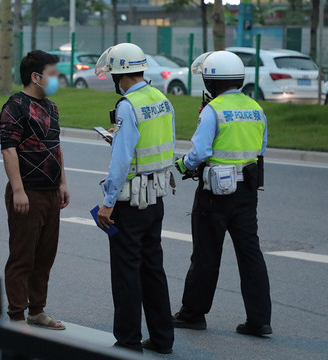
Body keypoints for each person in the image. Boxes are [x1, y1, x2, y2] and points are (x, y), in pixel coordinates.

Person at [172, 51, 272, 336]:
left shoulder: (213, 110)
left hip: (214, 193)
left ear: (210, 80)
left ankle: (192, 313)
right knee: (250, 254)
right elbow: (260, 148)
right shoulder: (256, 108)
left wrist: (183, 164)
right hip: (247, 192)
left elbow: (199, 153)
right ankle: (259, 320)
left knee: (206, 254)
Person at [95, 43, 175, 354]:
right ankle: (162, 338)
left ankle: (128, 341)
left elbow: (122, 161)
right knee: (153, 268)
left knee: (126, 272)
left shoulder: (128, 105)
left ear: (119, 74)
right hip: (156, 197)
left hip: (130, 201)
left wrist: (108, 202)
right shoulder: (161, 98)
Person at [0, 50, 70, 330]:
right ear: (35, 77)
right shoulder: (14, 106)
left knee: (44, 256)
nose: (56, 79)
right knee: (22, 256)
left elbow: (56, 147)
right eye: (52, 74)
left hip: (51, 192)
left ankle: (36, 311)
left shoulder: (52, 107)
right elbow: (8, 149)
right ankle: (17, 315)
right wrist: (18, 190)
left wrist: (63, 183)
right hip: (28, 192)